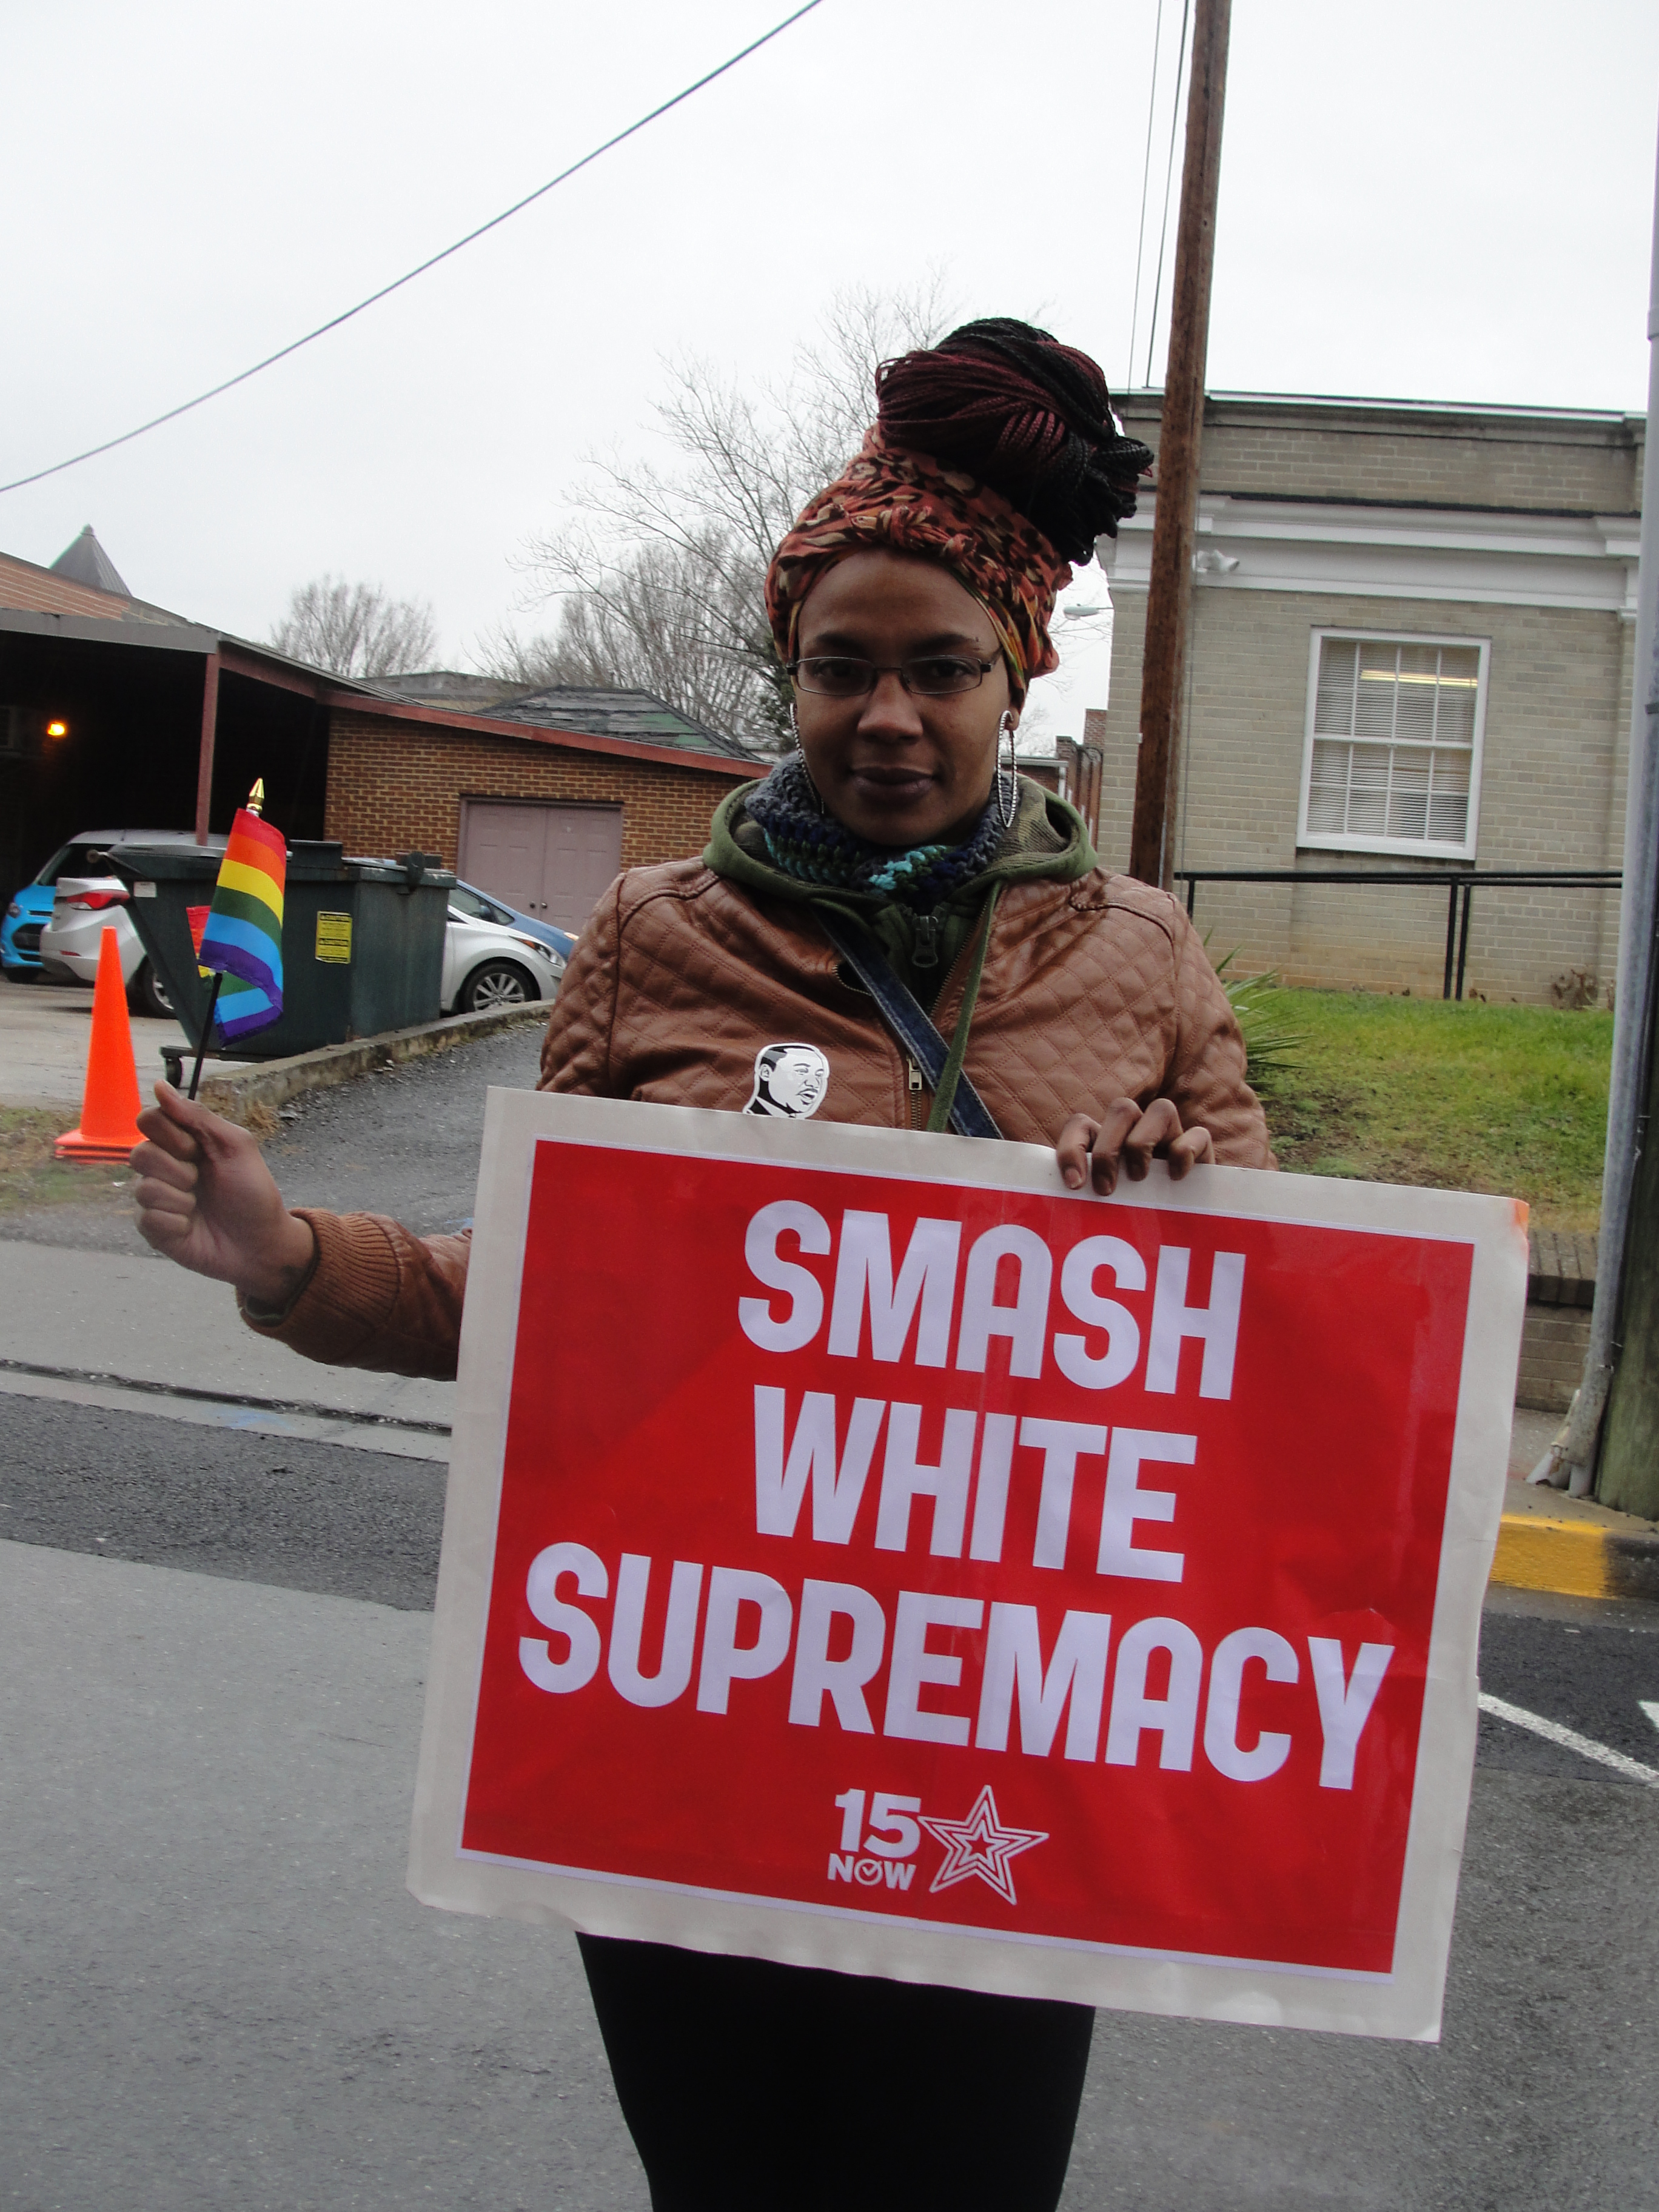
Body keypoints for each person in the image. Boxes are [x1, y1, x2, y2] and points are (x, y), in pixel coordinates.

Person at [131, 317, 1273, 2212]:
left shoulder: (1140, 956)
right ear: (789, 675)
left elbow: (1267, 1352)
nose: (888, 714)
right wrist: (291, 1254)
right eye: (842, 667)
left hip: (998, 1762)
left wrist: (1182, 1213)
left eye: (940, 669)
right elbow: (550, 1306)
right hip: (702, 1742)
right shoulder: (655, 936)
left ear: (1019, 676)